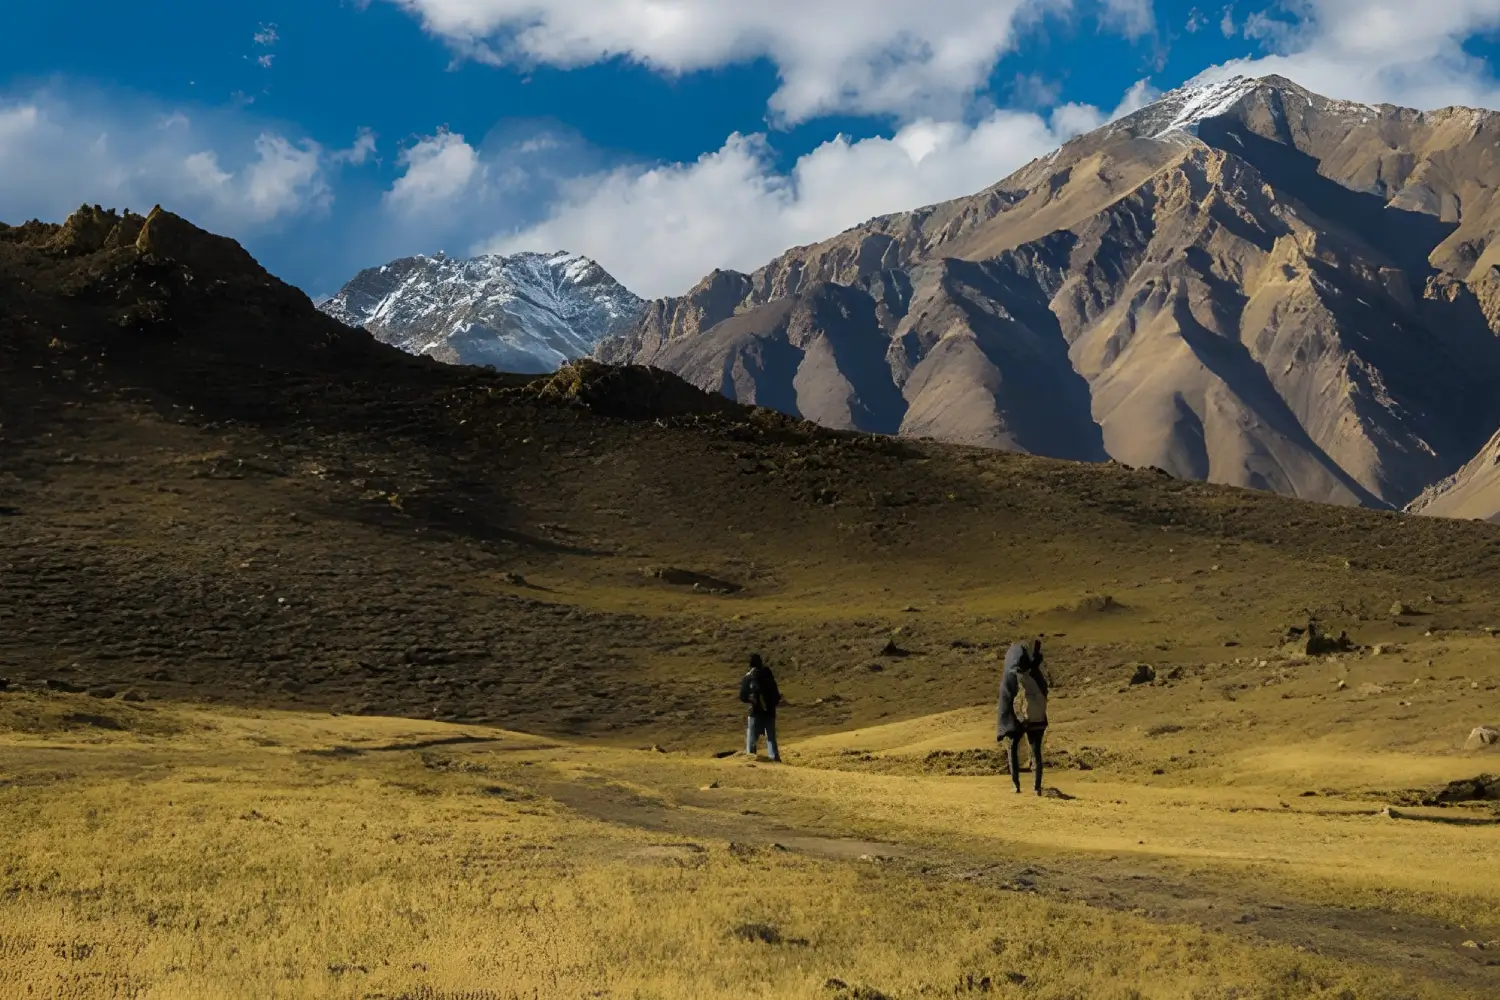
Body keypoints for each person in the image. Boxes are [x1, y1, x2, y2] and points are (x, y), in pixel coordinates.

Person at [996, 638, 1049, 795]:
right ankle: (1037, 788)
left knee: (1012, 747)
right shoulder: (1036, 676)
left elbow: (1005, 700)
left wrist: (1006, 723)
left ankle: (1016, 785)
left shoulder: (1010, 675)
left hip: (1016, 718)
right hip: (1036, 719)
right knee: (1035, 751)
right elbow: (1044, 693)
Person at [739, 653, 782, 762]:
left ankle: (751, 758)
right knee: (771, 738)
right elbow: (776, 695)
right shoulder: (768, 676)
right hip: (769, 711)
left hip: (755, 711)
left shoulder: (749, 677)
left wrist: (752, 700)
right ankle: (774, 758)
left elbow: (743, 696)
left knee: (751, 738)